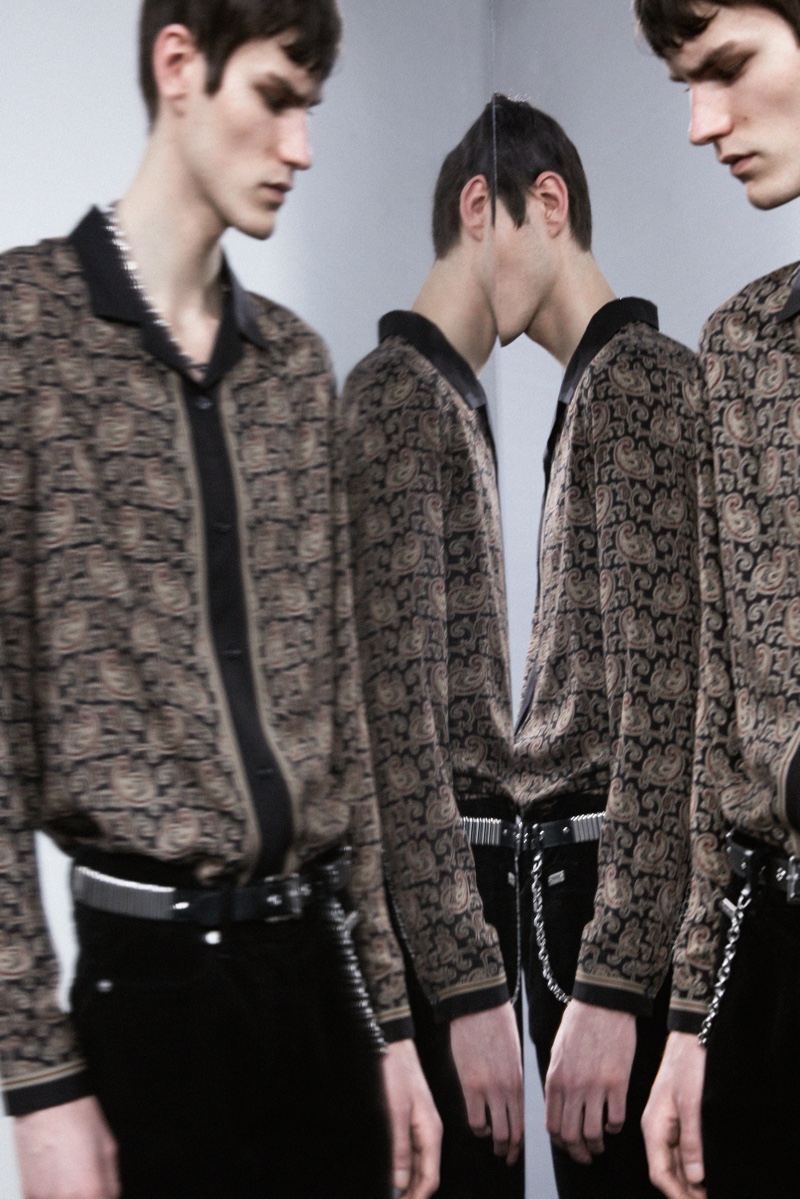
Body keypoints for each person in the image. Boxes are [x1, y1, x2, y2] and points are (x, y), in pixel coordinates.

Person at [0, 3, 443, 1197]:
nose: (301, 147)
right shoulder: (23, 333)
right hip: (152, 994)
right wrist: (37, 1074)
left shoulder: (296, 366)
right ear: (179, 65)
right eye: (275, 99)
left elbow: (346, 713)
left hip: (318, 976)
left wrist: (391, 1021)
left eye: (313, 108)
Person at [503, 97, 700, 1198]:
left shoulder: (634, 383)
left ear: (549, 203)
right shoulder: (600, 386)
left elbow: (667, 702)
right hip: (573, 874)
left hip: (600, 884)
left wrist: (614, 980)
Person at [340, 105, 527, 1199]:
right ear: (479, 207)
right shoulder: (398, 402)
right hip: (430, 935)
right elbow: (394, 723)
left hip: (461, 907)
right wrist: (465, 984)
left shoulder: (444, 398)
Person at [631, 3, 800, 1197]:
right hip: (774, 965)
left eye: (728, 68)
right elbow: (714, 715)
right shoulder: (738, 350)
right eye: (685, 83)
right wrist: (690, 1013)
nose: (700, 123)